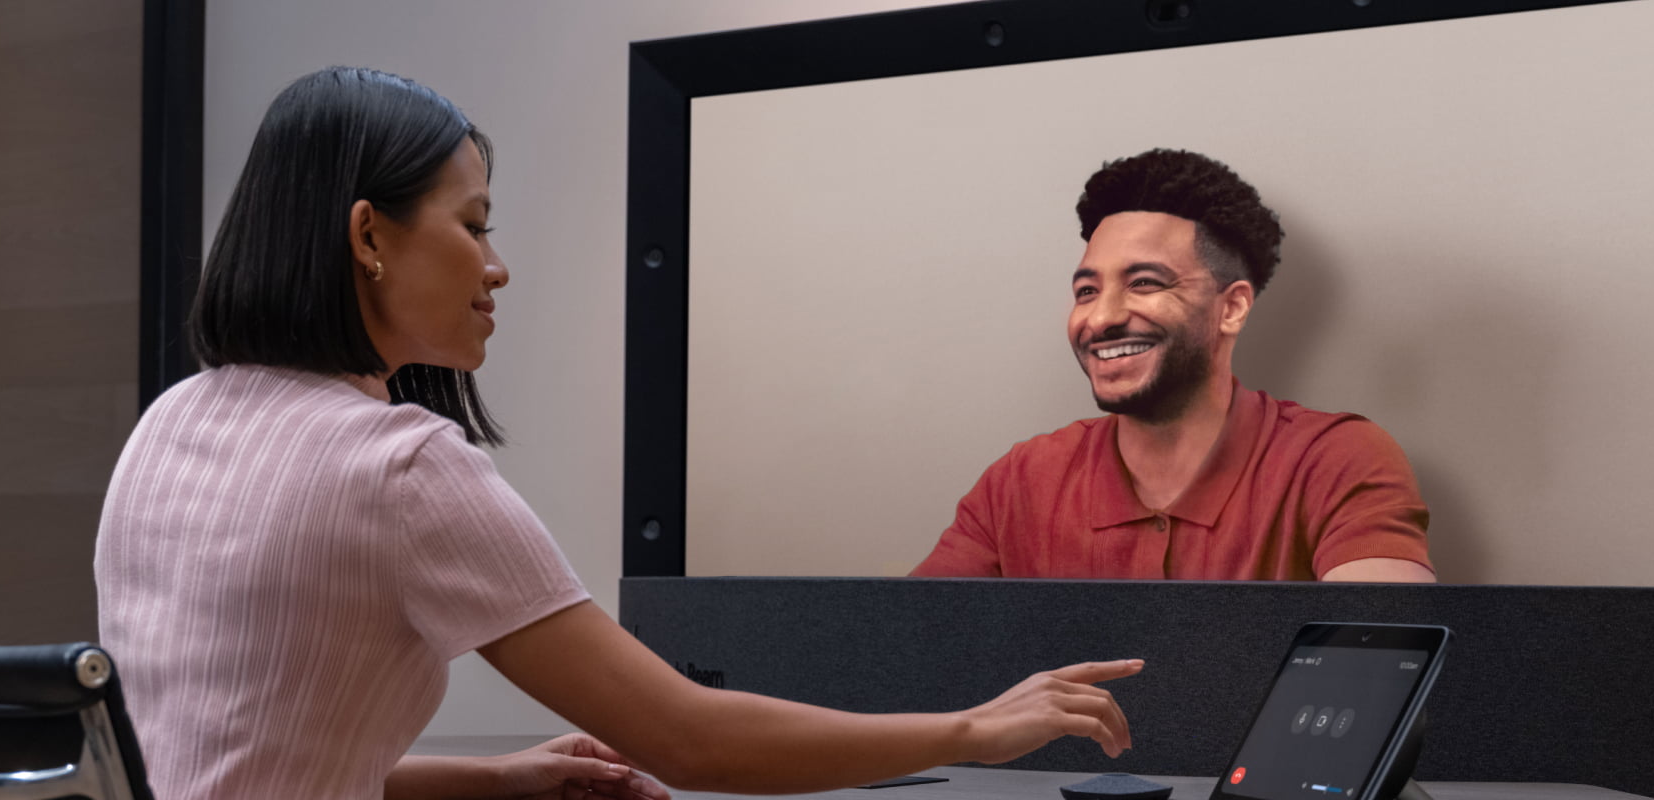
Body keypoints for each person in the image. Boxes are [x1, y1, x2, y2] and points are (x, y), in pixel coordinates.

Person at [93, 67, 1140, 800]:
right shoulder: (398, 465)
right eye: (473, 223)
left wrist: (496, 778)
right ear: (369, 235)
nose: (496, 265)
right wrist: (975, 727)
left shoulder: (169, 424)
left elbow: (227, 767)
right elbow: (686, 738)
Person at [909, 149, 1435, 583]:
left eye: (1145, 283)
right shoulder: (1020, 481)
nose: (1103, 317)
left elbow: (1378, 666)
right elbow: (903, 653)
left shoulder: (1335, 460)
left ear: (1232, 308)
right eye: (1086, 291)